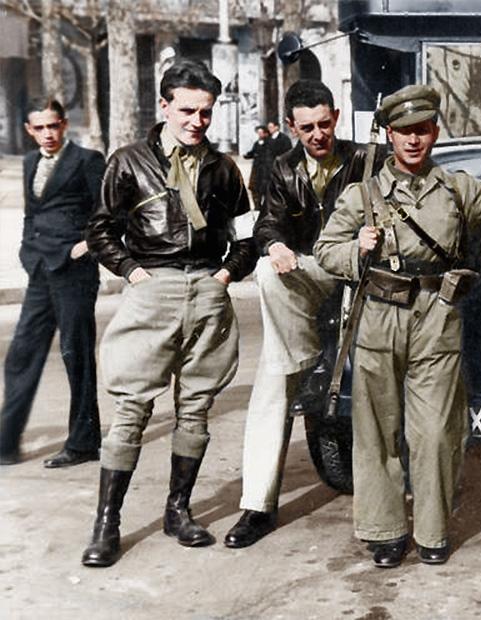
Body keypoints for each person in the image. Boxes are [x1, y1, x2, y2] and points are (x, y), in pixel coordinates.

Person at [81, 59, 257, 567]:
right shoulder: (129, 161)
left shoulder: (224, 170)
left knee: (196, 406)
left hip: (207, 288)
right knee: (131, 409)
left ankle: (178, 511)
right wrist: (133, 273)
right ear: (164, 106)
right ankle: (107, 523)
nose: (197, 121)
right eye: (187, 110)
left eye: (205, 111)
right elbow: (100, 230)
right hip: (151, 289)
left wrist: (225, 276)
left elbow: (247, 238)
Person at [314, 84, 481, 568]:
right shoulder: (362, 193)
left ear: (435, 132)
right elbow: (326, 251)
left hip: (436, 313)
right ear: (389, 135)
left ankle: (433, 529)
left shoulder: (458, 188)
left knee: (434, 431)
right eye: (404, 132)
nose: (414, 141)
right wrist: (358, 249)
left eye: (423, 130)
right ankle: (385, 530)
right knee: (376, 430)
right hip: (378, 314)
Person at [223, 79, 386, 549]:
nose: (318, 134)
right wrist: (274, 245)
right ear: (292, 127)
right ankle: (257, 506)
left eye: (325, 123)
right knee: (274, 372)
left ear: (336, 117)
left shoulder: (363, 158)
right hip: (308, 272)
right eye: (307, 127)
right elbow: (268, 219)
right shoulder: (281, 166)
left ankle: (386, 501)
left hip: (359, 273)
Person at [0, 98, 105, 468]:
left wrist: (86, 247)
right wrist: (28, 253)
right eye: (39, 128)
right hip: (40, 271)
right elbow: (33, 213)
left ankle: (83, 442)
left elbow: (109, 213)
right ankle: (5, 444)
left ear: (63, 125)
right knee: (20, 355)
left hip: (75, 272)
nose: (47, 134)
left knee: (76, 356)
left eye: (53, 126)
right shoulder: (30, 162)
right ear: (29, 130)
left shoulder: (88, 160)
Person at [244, 124, 273, 208]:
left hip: (265, 169)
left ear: (266, 133)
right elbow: (253, 152)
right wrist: (248, 155)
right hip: (257, 169)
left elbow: (268, 155)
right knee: (254, 187)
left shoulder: (269, 142)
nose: (259, 135)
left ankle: (266, 206)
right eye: (258, 133)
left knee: (265, 187)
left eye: (261, 133)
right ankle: (257, 206)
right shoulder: (257, 143)